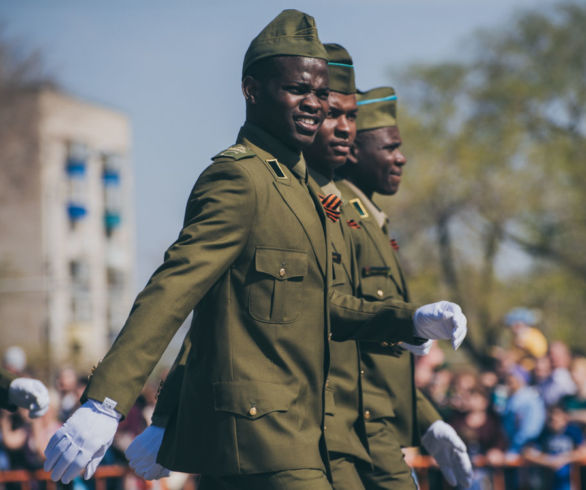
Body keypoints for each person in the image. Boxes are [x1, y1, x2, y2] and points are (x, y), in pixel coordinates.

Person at [44, 11, 467, 490]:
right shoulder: (239, 179)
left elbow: (320, 306)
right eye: (298, 90)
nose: (314, 104)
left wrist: (407, 319)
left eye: (321, 94)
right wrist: (107, 402)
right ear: (252, 89)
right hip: (259, 438)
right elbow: (178, 292)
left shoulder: (310, 193)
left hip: (311, 437)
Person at [336, 87, 472, 489]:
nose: (402, 156)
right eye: (390, 147)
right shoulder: (341, 213)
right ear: (355, 151)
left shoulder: (371, 218)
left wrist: (427, 419)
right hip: (354, 426)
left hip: (376, 425)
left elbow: (380, 355)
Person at [523, 404, 586, 490]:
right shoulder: (544, 433)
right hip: (548, 480)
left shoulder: (573, 431)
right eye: (551, 416)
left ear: (565, 417)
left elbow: (583, 452)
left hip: (569, 481)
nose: (554, 418)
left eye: (557, 415)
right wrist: (548, 460)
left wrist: (564, 459)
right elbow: (527, 452)